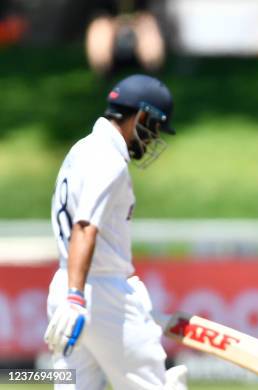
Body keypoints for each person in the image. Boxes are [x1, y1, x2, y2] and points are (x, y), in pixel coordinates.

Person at [44, 74, 187, 390]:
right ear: (142, 115)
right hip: (95, 295)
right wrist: (79, 297)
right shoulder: (108, 159)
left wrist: (75, 295)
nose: (151, 138)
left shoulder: (82, 149)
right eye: (154, 127)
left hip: (68, 284)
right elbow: (85, 226)